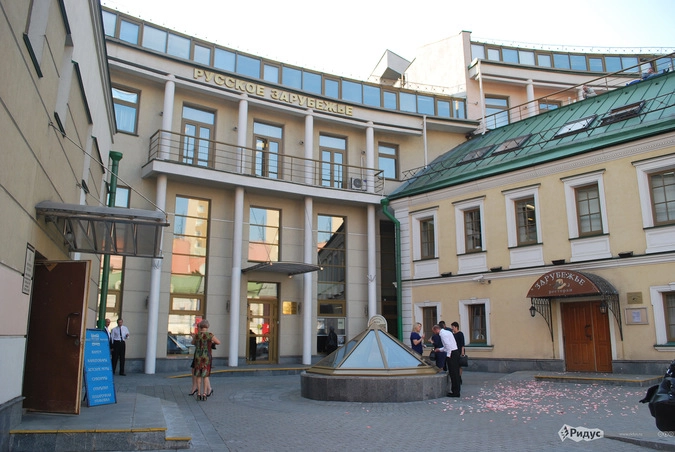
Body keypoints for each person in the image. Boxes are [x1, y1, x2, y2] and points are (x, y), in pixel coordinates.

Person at [192, 319, 220, 401]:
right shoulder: (210, 335)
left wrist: (194, 338)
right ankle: (204, 394)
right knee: (205, 375)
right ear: (207, 327)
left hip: (198, 357)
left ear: (200, 326)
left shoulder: (197, 335)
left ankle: (198, 393)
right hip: (206, 357)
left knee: (198, 375)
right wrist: (211, 343)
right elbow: (218, 342)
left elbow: (193, 343)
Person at [432, 324, 460, 398]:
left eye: (434, 331)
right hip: (455, 352)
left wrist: (448, 355)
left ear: (436, 329)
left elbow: (448, 346)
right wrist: (439, 349)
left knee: (453, 373)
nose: (434, 333)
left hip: (452, 354)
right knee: (455, 372)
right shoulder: (448, 332)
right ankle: (456, 390)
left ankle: (455, 392)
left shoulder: (443, 334)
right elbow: (447, 346)